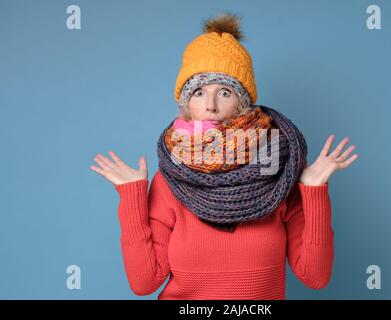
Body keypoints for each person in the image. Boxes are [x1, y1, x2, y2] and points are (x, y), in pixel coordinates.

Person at [90, 12, 358, 300]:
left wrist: (314, 191)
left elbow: (315, 277)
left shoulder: (279, 173)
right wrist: (132, 197)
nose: (211, 106)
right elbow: (144, 283)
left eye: (225, 92)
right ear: (186, 105)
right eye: (199, 92)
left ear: (243, 103)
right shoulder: (171, 179)